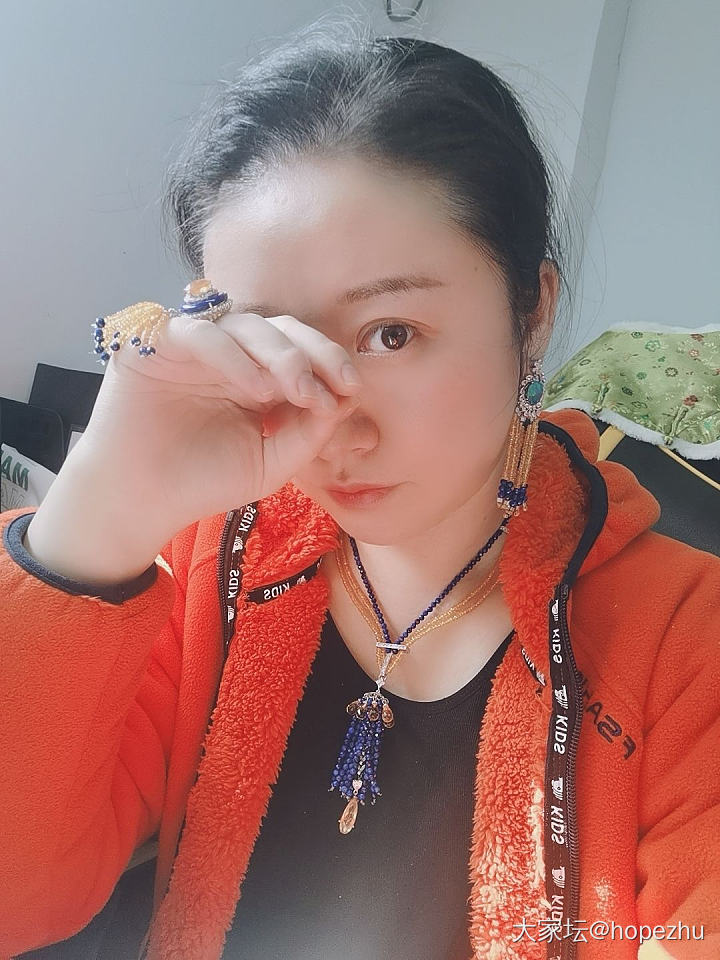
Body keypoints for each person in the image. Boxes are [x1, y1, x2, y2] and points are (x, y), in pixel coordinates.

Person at [1, 21, 718, 960]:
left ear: (533, 309)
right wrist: (96, 521)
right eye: (274, 341)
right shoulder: (198, 565)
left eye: (392, 334)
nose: (335, 421)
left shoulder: (688, 644)